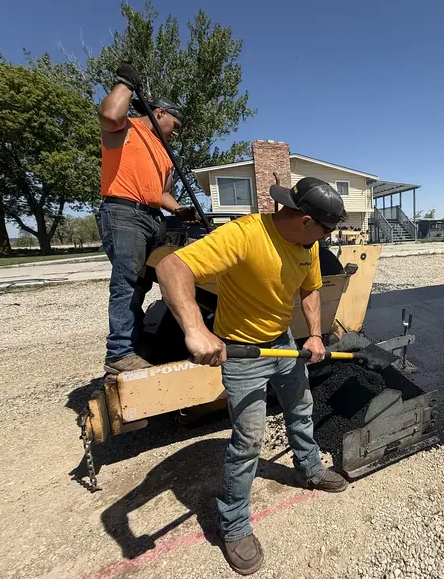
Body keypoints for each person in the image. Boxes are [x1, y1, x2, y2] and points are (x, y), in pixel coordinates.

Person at [155, 177, 349, 575]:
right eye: (326, 230)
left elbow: (309, 290)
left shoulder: (307, 245)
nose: (326, 238)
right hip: (241, 351)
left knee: (300, 409)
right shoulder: (244, 235)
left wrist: (313, 334)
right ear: (306, 220)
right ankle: (234, 524)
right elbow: (172, 266)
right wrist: (195, 329)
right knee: (248, 441)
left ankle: (310, 468)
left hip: (282, 343)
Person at [98, 62, 198, 374]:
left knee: (148, 281)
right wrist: (126, 83)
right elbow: (110, 114)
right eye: (175, 124)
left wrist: (179, 209)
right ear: (159, 114)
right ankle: (119, 352)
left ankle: (141, 344)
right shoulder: (126, 129)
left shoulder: (164, 152)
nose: (177, 132)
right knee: (127, 282)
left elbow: (160, 193)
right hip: (123, 212)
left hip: (153, 217)